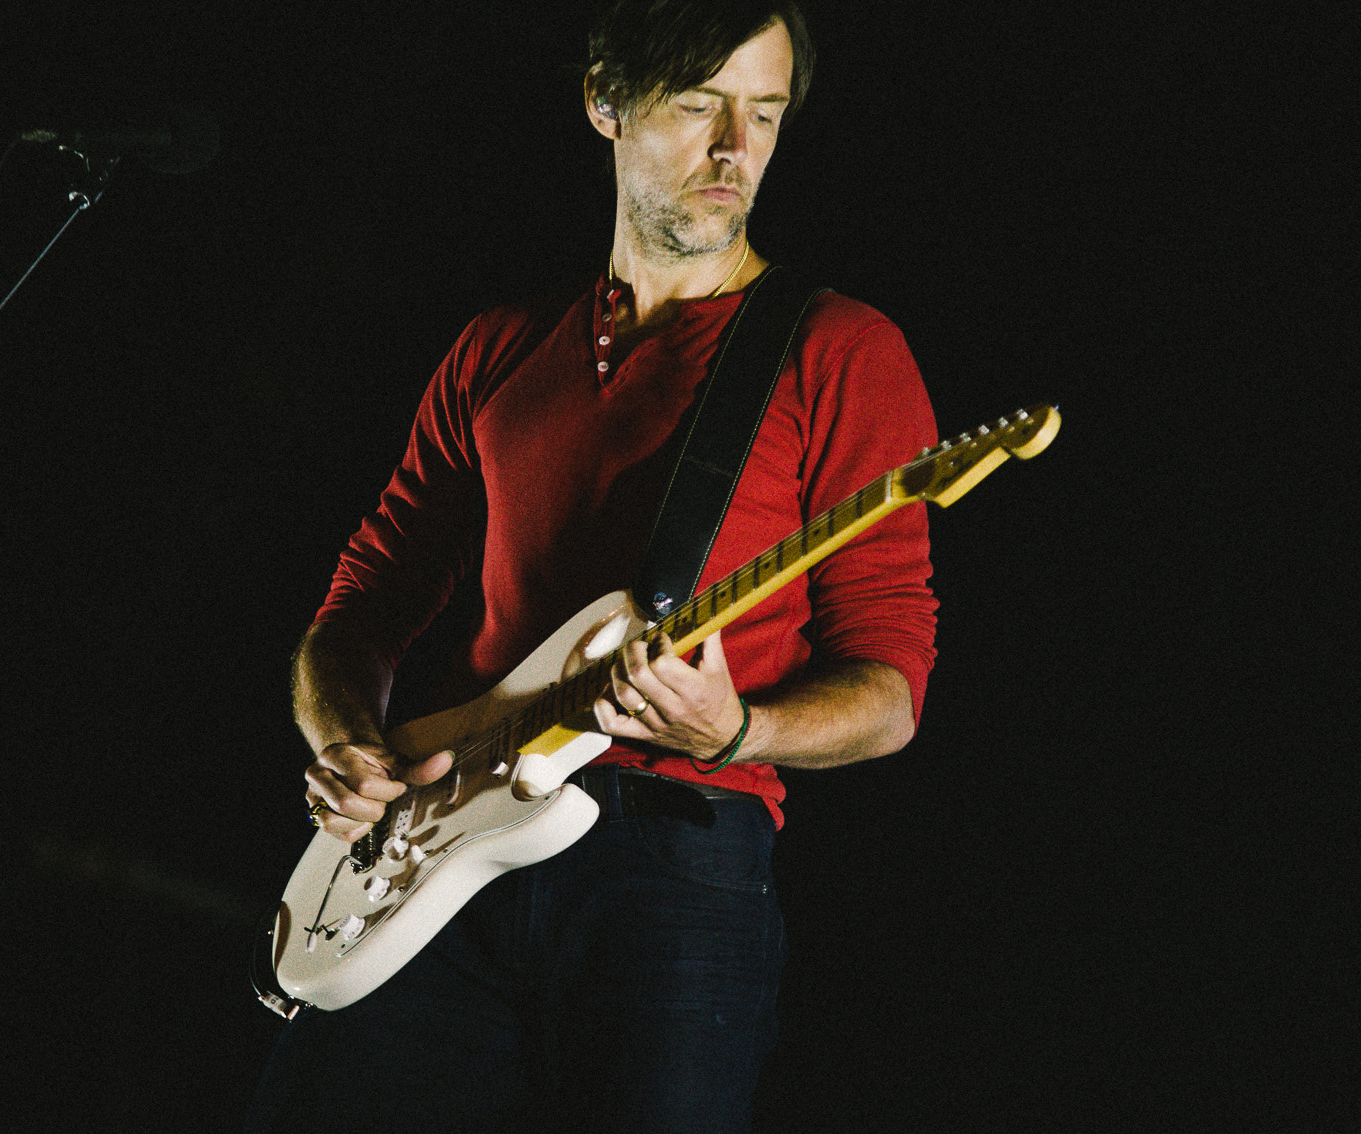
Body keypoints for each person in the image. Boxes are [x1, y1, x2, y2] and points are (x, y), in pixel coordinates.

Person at [245, 2, 937, 1131]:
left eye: (762, 114)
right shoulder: (499, 346)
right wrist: (344, 748)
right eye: (699, 105)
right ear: (605, 100)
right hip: (435, 839)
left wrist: (737, 731)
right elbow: (361, 604)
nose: (735, 150)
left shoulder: (838, 351)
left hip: (678, 868)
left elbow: (892, 687)